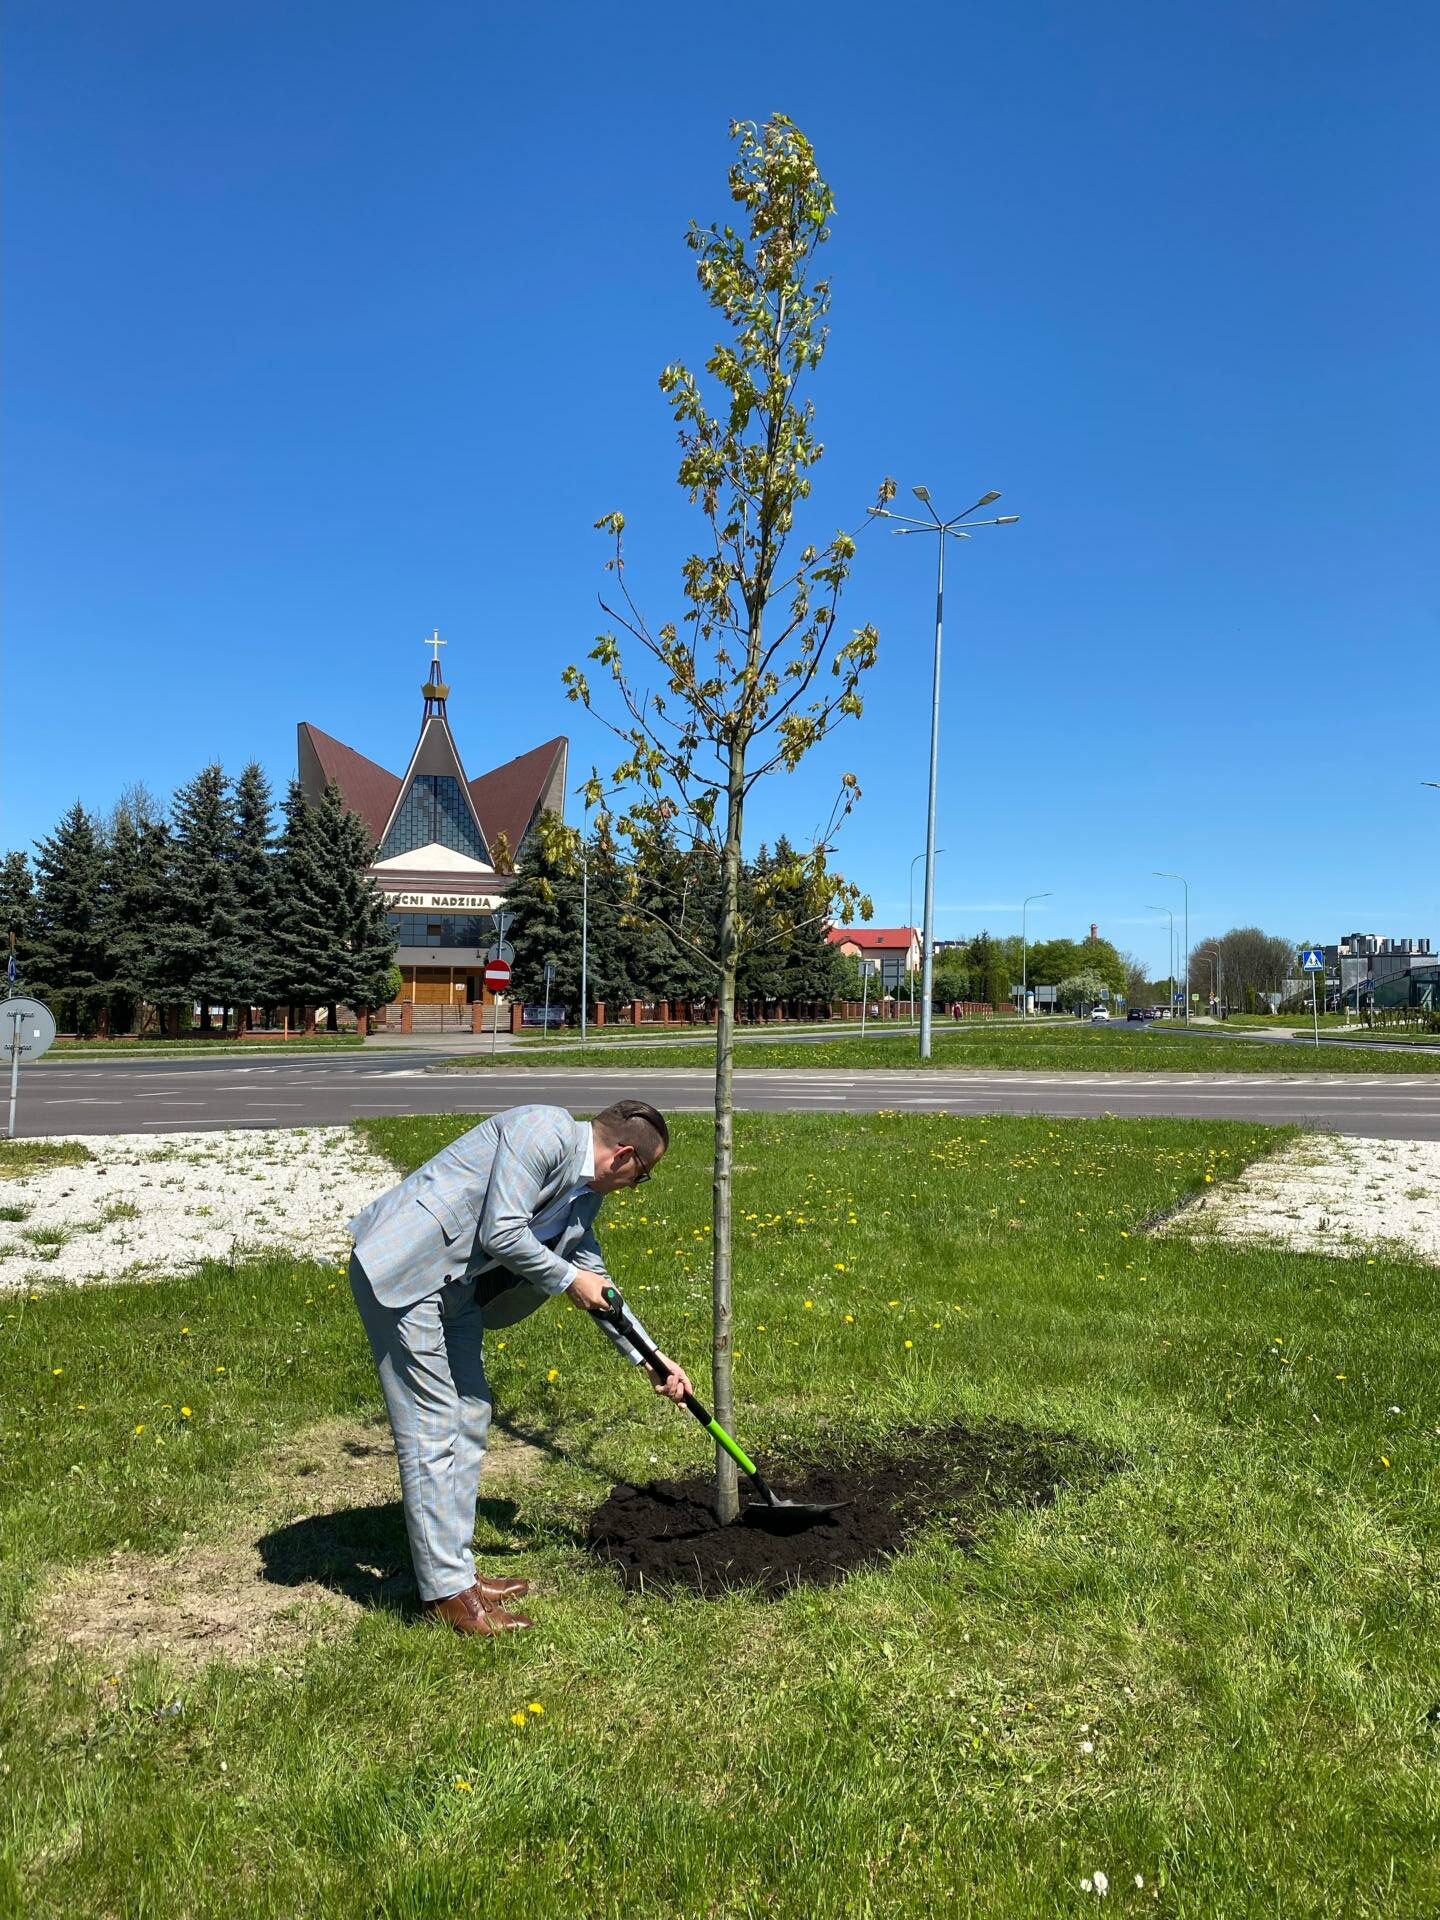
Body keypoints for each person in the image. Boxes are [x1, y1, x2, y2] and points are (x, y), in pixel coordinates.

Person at [348, 1099, 691, 1636]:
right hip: (407, 1274)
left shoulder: (582, 1202)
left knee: (470, 1416)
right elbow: (502, 1232)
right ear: (622, 1156)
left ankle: (456, 1574)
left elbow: (596, 1282)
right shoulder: (543, 1129)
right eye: (641, 1177)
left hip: (455, 1294)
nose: (633, 1188)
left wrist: (652, 1357)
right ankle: (445, 1595)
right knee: (433, 1426)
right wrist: (568, 1281)